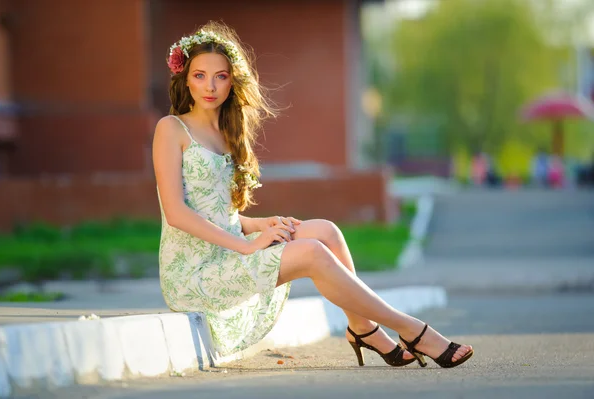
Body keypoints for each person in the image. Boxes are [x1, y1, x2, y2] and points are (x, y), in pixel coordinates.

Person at [152, 21, 473, 368]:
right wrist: (248, 245)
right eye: (200, 75)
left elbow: (218, 212)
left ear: (234, 81)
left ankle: (362, 329)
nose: (210, 86)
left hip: (230, 249)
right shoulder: (171, 129)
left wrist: (261, 224)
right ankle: (412, 329)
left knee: (324, 231)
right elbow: (177, 213)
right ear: (185, 77)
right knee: (311, 252)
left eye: (221, 76)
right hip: (196, 273)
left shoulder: (228, 132)